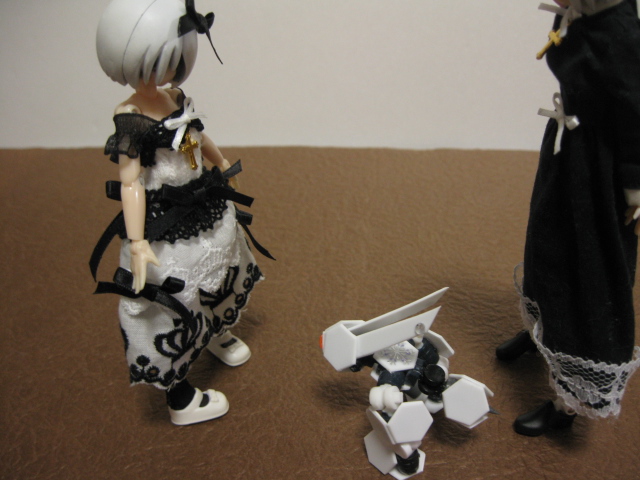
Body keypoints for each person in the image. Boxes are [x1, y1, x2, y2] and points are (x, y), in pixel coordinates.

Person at [91, 0, 268, 426]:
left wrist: (221, 162)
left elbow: (197, 134)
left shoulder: (174, 96)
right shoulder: (131, 119)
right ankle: (180, 396)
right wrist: (137, 241)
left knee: (223, 265)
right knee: (173, 297)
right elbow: (131, 183)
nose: (168, 73)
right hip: (165, 223)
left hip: (203, 204)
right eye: (160, 62)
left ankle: (215, 330)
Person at [496, 0, 640, 436]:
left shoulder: (620, 30)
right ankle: (543, 329)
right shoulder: (577, 12)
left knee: (589, 271)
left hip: (603, 167)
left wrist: (634, 183)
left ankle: (573, 399)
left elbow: (635, 109)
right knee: (546, 242)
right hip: (569, 145)